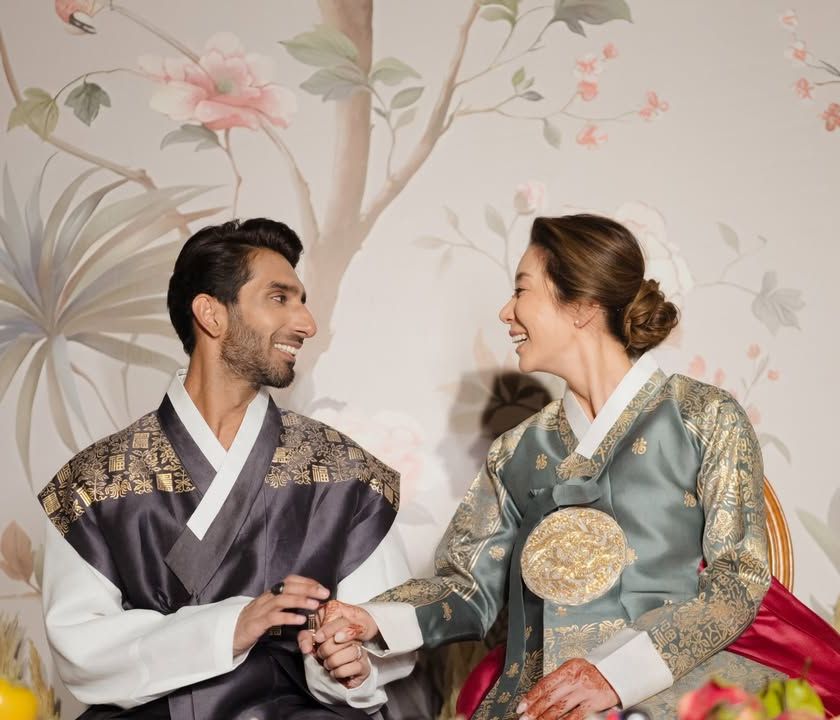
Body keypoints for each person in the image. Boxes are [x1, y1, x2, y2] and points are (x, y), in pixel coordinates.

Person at [301, 215, 840, 720]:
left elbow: (738, 579)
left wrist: (615, 677)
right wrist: (372, 619)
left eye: (521, 290)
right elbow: (467, 589)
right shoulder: (515, 452)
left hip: (670, 685)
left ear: (581, 305)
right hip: (535, 698)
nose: (505, 312)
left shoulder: (704, 416)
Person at [38, 219, 416, 720]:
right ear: (211, 313)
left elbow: (378, 632)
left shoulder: (347, 474)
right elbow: (82, 651)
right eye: (279, 298)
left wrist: (347, 664)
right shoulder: (93, 482)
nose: (307, 323)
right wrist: (231, 626)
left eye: (302, 301)